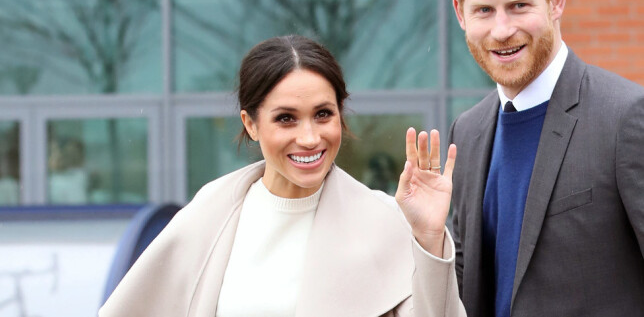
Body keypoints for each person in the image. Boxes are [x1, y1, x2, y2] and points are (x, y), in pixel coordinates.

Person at [99, 35, 466, 316]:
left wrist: (430, 237)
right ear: (251, 124)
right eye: (285, 118)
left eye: (323, 114)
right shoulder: (209, 213)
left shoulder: (387, 221)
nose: (309, 138)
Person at [444, 0, 644, 317]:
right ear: (460, 13)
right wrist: (430, 239)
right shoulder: (466, 133)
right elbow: (465, 289)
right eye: (484, 10)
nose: (502, 30)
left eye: (519, 6)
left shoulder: (625, 117)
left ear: (555, 0)